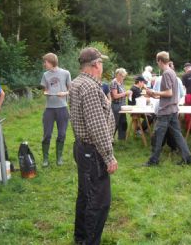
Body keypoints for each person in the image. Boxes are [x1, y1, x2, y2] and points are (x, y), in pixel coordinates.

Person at [69, 47, 118, 245]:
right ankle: (88, 241)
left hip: (84, 148)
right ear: (96, 64)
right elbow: (97, 127)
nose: (102, 66)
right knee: (98, 202)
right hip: (93, 151)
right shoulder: (89, 88)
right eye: (101, 62)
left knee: (85, 196)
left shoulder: (77, 82)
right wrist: (109, 156)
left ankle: (80, 238)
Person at [144, 51, 191, 166]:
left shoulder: (166, 73)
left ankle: (153, 160)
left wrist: (154, 92)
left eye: (157, 62)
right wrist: (154, 94)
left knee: (157, 136)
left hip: (165, 110)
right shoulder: (172, 72)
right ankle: (187, 158)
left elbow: (169, 93)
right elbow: (168, 93)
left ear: (160, 61)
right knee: (177, 135)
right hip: (173, 109)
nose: (157, 64)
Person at [40, 53, 71, 167]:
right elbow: (45, 89)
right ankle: (45, 159)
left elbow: (70, 90)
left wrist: (64, 93)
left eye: (46, 62)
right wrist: (46, 92)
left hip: (62, 108)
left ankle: (59, 157)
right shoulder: (45, 75)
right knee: (47, 134)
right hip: (49, 109)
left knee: (62, 134)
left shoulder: (65, 73)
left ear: (52, 62)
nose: (44, 64)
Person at [110, 68, 131, 140]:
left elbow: (122, 94)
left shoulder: (121, 82)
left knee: (123, 122)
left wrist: (127, 94)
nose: (123, 77)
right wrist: (125, 93)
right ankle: (110, 139)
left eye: (123, 76)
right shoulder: (114, 82)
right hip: (116, 105)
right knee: (115, 123)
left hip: (122, 104)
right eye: (121, 76)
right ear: (117, 75)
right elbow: (115, 96)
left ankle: (122, 138)